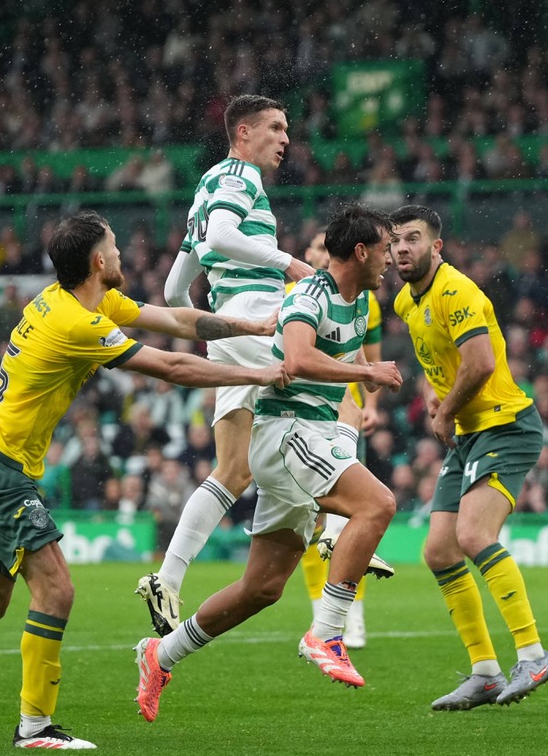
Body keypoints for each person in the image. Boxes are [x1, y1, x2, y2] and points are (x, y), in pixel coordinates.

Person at [0, 210, 289, 750]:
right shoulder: (77, 324)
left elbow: (180, 322)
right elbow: (174, 368)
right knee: (57, 590)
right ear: (98, 262)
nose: (121, 255)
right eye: (114, 248)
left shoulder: (81, 299)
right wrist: (256, 373)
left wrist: (252, 327)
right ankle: (35, 727)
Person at [135, 203, 403, 722]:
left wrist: (363, 376)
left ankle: (160, 655)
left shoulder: (362, 302)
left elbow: (343, 373)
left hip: (315, 437)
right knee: (377, 505)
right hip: (285, 435)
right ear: (362, 250)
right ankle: (327, 633)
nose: (391, 258)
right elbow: (299, 359)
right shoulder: (308, 295)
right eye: (387, 248)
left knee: (261, 588)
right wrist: (367, 374)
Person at [138, 94, 315, 636]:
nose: (286, 138)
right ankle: (331, 530)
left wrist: (214, 329)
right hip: (256, 315)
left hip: (229, 327)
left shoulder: (208, 186)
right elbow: (220, 238)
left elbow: (172, 288)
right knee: (322, 383)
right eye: (276, 128)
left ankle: (166, 579)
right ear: (243, 133)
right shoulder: (239, 176)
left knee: (232, 470)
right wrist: (290, 264)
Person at [389, 204, 548, 711]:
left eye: (413, 239)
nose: (402, 248)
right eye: (396, 240)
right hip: (468, 433)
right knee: (439, 551)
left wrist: (443, 415)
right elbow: (430, 358)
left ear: (436, 247)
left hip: (505, 425)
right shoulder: (404, 301)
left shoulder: (457, 291)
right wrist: (434, 392)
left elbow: (481, 363)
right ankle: (485, 672)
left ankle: (532, 653)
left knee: (473, 536)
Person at [293, 228, 389, 649]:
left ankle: (354, 616)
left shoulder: (365, 299)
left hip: (343, 416)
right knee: (308, 520)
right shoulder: (297, 293)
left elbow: (372, 356)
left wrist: (373, 405)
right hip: (302, 415)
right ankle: (322, 610)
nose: (318, 253)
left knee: (353, 515)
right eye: (314, 247)